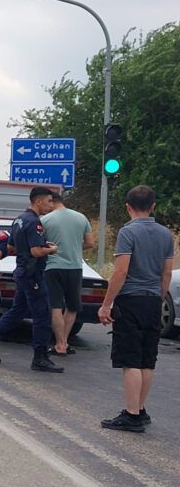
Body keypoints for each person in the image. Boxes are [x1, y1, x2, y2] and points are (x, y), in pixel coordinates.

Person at [98, 185, 174, 433]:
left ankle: (130, 415)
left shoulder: (127, 232)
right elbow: (166, 273)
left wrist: (107, 303)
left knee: (129, 359)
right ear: (153, 206)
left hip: (130, 300)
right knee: (146, 360)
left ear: (128, 207)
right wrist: (158, 297)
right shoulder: (165, 235)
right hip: (153, 300)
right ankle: (140, 410)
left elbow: (121, 271)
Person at [0, 186, 64, 373]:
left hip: (23, 272)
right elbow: (36, 251)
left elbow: (11, 248)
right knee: (42, 315)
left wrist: (38, 246)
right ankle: (40, 357)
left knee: (17, 311)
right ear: (38, 201)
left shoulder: (19, 220)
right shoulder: (34, 222)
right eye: (48, 201)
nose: (51, 205)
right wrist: (51, 250)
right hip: (33, 274)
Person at [42, 193, 95, 356]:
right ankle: (64, 343)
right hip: (74, 267)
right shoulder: (81, 218)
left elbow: (39, 245)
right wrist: (74, 248)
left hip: (52, 267)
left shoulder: (45, 221)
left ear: (52, 203)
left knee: (56, 306)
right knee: (72, 306)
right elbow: (90, 243)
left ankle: (59, 344)